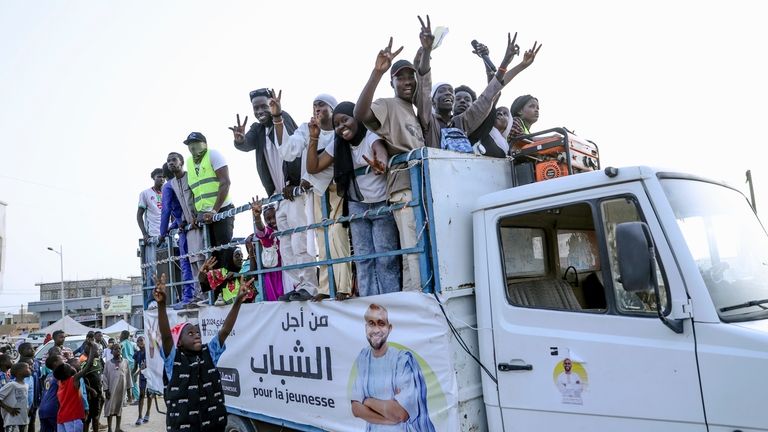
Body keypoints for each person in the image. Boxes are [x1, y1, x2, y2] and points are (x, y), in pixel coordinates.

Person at [354, 36, 426, 293]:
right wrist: (376, 72)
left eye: (411, 76)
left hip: (420, 186)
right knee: (413, 252)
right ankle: (418, 303)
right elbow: (361, 114)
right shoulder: (388, 104)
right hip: (403, 187)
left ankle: (414, 299)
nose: (407, 81)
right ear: (392, 82)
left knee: (417, 251)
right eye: (400, 77)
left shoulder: (414, 111)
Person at [307, 101, 401, 297]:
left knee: (385, 257)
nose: (342, 127)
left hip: (381, 203)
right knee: (363, 258)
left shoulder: (370, 136)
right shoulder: (338, 143)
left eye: (345, 120)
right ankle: (369, 301)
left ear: (356, 119)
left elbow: (380, 150)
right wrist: (313, 138)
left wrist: (380, 163)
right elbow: (313, 167)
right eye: (337, 125)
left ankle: (390, 300)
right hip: (357, 204)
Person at [231, 89, 313, 299]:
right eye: (255, 107)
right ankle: (295, 287)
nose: (260, 111)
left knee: (299, 242)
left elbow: (295, 150)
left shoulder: (282, 119)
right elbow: (246, 144)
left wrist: (293, 183)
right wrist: (239, 140)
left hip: (293, 192)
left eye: (263, 106)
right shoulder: (257, 130)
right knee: (285, 246)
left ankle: (309, 286)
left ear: (273, 103)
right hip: (278, 197)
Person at [153, 272, 254, 432]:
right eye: (190, 333)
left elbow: (225, 330)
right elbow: (166, 337)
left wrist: (238, 302)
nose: (197, 335)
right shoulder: (174, 360)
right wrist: (161, 304)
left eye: (197, 332)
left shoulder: (209, 353)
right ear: (179, 341)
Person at [277, 94, 354, 301]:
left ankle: (344, 287)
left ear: (333, 108)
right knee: (320, 235)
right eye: (314, 105)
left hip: (337, 189)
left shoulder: (339, 129)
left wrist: (308, 176)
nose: (317, 109)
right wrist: (278, 119)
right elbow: (288, 152)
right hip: (317, 192)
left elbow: (322, 165)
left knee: (337, 233)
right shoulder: (307, 128)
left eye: (321, 104)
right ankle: (325, 287)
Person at [351, 304, 434, 432]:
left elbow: (401, 413)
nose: (376, 330)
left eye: (381, 323)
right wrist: (387, 418)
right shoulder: (363, 357)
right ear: (366, 327)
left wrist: (367, 401)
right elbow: (356, 409)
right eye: (371, 323)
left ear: (389, 328)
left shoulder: (402, 360)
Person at [183, 132, 235, 285]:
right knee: (210, 255)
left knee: (224, 251)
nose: (192, 147)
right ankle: (216, 292)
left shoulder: (214, 155)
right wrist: (195, 215)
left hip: (221, 211)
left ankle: (227, 291)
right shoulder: (189, 163)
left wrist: (214, 210)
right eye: (189, 144)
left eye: (196, 143)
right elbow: (194, 191)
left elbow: (225, 182)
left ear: (204, 143)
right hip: (204, 216)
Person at [160, 151, 206, 308]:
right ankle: (195, 295)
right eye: (169, 161)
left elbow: (166, 210)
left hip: (188, 227)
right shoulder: (179, 182)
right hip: (186, 225)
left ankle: (190, 296)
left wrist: (162, 233)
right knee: (193, 261)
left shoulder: (169, 186)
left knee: (189, 262)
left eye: (173, 160)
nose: (171, 163)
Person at [54, 343, 96, 432]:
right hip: (72, 417)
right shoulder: (73, 380)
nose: (71, 366)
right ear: (68, 373)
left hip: (61, 417)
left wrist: (68, 358)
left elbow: (63, 371)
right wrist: (92, 349)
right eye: (69, 367)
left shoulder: (60, 382)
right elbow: (87, 366)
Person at [250, 198, 284, 301]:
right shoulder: (269, 233)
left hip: (288, 272)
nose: (273, 221)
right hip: (274, 276)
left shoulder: (287, 227)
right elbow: (261, 229)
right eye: (268, 219)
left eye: (274, 216)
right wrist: (257, 217)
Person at [137, 168, 165, 287]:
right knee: (152, 268)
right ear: (153, 178)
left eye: (163, 177)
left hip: (166, 235)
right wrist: (145, 234)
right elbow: (139, 215)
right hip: (153, 236)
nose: (162, 179)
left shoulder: (168, 192)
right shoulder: (145, 194)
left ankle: (169, 297)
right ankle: (152, 300)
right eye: (159, 176)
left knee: (168, 266)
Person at [101, 345, 131, 432]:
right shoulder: (108, 363)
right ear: (111, 352)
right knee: (109, 408)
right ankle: (110, 428)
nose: (117, 350)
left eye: (119, 349)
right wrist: (106, 390)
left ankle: (117, 427)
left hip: (121, 390)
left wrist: (129, 392)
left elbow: (128, 376)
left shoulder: (125, 362)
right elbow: (105, 377)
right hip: (111, 390)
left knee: (119, 407)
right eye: (115, 349)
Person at [78, 342, 102, 432]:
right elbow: (81, 381)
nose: (98, 351)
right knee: (86, 419)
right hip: (88, 396)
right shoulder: (83, 364)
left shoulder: (99, 361)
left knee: (96, 417)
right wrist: (90, 390)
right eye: (96, 349)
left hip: (97, 395)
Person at [0, 362, 31, 432]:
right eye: (27, 368)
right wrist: (8, 409)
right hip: (12, 422)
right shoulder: (12, 385)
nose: (30, 369)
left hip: (24, 421)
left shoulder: (26, 385)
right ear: (19, 372)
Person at [16, 345, 39, 432]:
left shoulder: (35, 362)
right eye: (29, 349)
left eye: (33, 348)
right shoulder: (19, 366)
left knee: (32, 421)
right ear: (21, 352)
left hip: (35, 397)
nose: (32, 350)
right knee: (24, 424)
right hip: (25, 401)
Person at [132, 337, 153, 425]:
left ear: (145, 342)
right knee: (141, 395)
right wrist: (132, 374)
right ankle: (140, 416)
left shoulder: (149, 352)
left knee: (149, 394)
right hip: (142, 376)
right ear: (136, 343)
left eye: (141, 340)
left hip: (150, 375)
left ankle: (147, 413)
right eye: (138, 341)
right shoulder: (137, 354)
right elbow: (135, 366)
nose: (140, 342)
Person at [38, 355, 61, 432]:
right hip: (53, 408)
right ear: (55, 363)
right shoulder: (59, 375)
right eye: (61, 360)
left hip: (42, 408)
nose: (63, 361)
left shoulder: (49, 375)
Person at [118, 331, 138, 403]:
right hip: (133, 363)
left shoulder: (122, 343)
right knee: (133, 381)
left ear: (123, 335)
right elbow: (137, 351)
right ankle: (134, 397)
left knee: (127, 382)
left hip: (126, 365)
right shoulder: (132, 343)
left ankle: (133, 398)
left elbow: (119, 349)